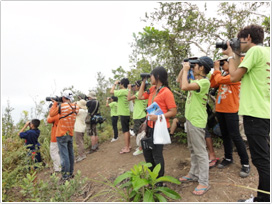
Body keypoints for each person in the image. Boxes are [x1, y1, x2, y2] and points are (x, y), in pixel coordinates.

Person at [222, 24, 270, 202]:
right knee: (265, 157)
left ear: (248, 38)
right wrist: (236, 53)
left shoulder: (254, 52)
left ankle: (263, 200)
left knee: (261, 161)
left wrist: (232, 54)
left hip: (255, 114)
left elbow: (234, 76)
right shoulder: (267, 52)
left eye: (239, 40)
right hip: (265, 112)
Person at [177, 56, 213, 196]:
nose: (194, 67)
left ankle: (204, 181)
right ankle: (193, 174)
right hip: (190, 119)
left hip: (197, 121)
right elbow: (180, 81)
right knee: (192, 149)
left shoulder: (204, 82)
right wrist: (184, 67)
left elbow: (184, 86)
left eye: (196, 65)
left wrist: (187, 69)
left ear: (202, 67)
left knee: (201, 152)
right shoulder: (197, 81)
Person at [210, 57, 250, 178]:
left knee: (235, 136)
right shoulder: (224, 74)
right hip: (221, 109)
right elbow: (213, 83)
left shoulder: (235, 76)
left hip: (231, 110)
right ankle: (228, 158)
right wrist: (217, 70)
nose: (222, 65)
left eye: (225, 62)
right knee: (225, 135)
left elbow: (219, 79)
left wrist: (216, 69)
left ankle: (246, 163)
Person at [138, 66, 177, 185]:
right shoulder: (152, 89)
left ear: (158, 76)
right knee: (147, 152)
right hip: (150, 126)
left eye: (151, 75)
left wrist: (159, 117)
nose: (150, 77)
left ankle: (159, 181)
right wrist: (143, 81)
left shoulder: (166, 92)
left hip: (159, 126)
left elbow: (173, 111)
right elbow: (140, 97)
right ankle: (152, 176)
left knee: (157, 154)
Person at [49, 90, 79, 182]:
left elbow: (51, 114)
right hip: (70, 132)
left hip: (61, 134)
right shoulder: (76, 106)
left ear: (63, 97)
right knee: (70, 154)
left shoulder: (62, 106)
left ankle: (65, 176)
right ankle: (70, 173)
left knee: (64, 155)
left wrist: (55, 103)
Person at [110, 78, 131, 154]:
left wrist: (115, 84)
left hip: (123, 113)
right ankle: (128, 145)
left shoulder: (122, 91)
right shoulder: (127, 91)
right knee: (127, 130)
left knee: (125, 131)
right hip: (126, 112)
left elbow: (111, 91)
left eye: (120, 83)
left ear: (122, 84)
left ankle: (127, 148)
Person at [127, 80, 148, 156]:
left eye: (135, 86)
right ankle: (142, 147)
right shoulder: (144, 93)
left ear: (139, 86)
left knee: (138, 133)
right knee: (142, 132)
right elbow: (133, 102)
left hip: (138, 116)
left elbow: (128, 99)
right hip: (142, 114)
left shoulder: (138, 93)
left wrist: (129, 89)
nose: (134, 87)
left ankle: (141, 149)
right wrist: (133, 91)